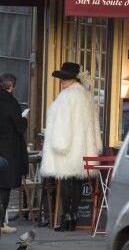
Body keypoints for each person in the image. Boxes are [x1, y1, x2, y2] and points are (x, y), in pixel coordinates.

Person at [40, 62, 102, 232]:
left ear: (74, 79)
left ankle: (65, 217)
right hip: (82, 147)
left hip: (67, 146)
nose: (63, 82)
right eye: (62, 79)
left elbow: (62, 124)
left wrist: (60, 144)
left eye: (65, 79)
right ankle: (73, 217)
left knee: (67, 180)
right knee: (76, 181)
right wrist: (95, 144)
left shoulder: (67, 97)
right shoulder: (86, 96)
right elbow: (94, 124)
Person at [0, 73, 29, 234]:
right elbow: (19, 128)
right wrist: (24, 118)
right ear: (11, 86)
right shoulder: (12, 104)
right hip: (8, 152)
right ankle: (1, 223)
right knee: (4, 188)